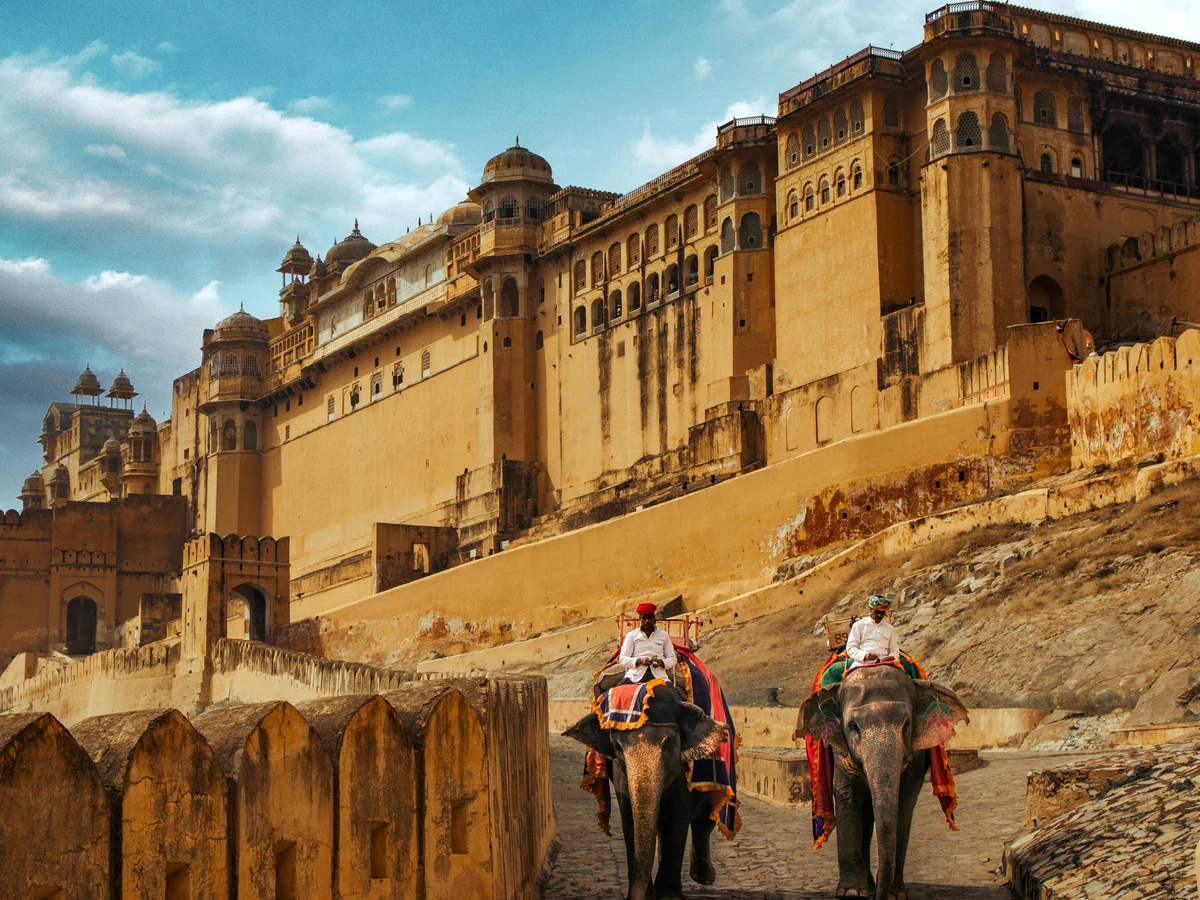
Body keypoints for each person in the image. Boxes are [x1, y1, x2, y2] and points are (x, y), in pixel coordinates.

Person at [619, 602, 677, 684]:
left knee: (674, 696)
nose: (647, 621)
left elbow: (673, 658)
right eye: (644, 618)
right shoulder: (631, 635)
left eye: (650, 618)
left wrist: (662, 663)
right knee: (615, 694)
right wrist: (639, 661)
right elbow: (622, 659)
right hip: (635, 676)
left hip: (659, 677)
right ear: (640, 619)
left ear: (654, 618)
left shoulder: (664, 635)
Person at [845, 595, 899, 670]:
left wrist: (892, 657)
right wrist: (865, 655)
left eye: (882, 613)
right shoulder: (858, 625)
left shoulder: (890, 629)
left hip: (886, 664)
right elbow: (851, 648)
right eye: (876, 612)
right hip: (862, 664)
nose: (879, 615)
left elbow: (894, 650)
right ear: (870, 609)